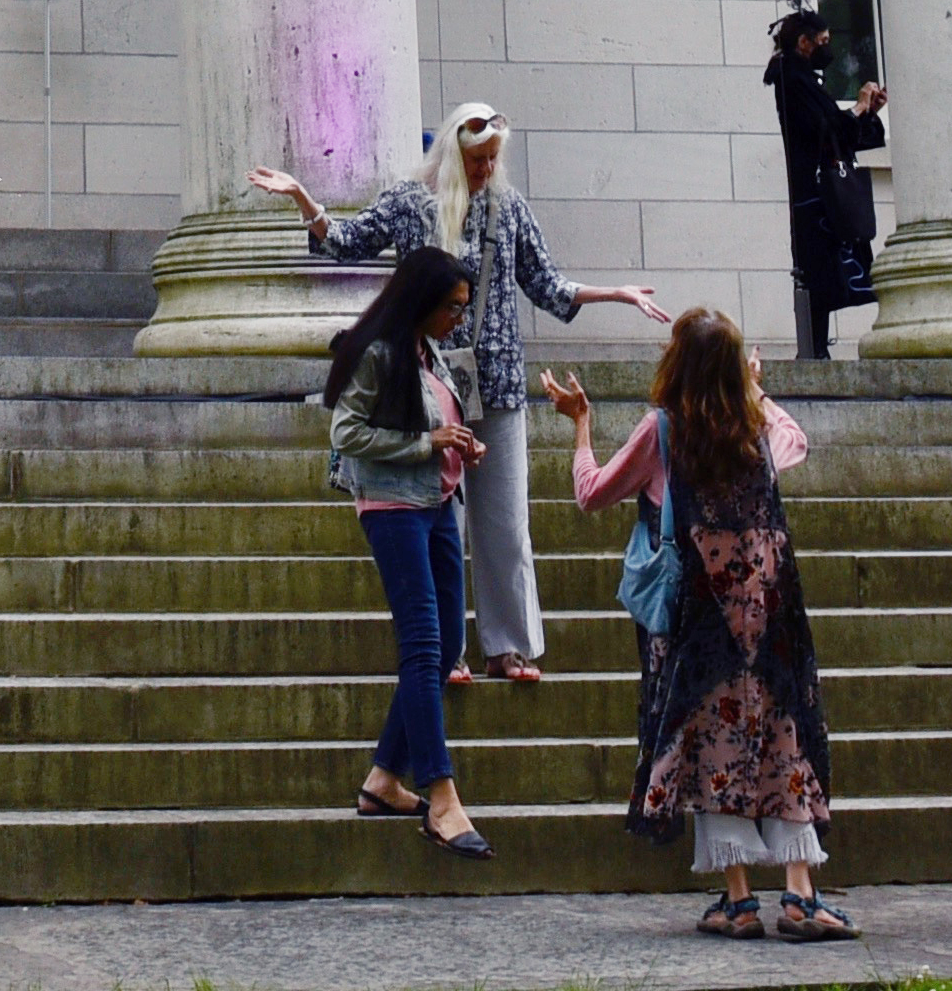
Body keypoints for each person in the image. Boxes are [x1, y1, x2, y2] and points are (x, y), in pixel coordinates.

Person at [249, 105, 663, 683]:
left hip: (497, 384)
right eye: (476, 160)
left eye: (493, 159)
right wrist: (303, 198)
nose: (486, 169)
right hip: (427, 385)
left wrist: (613, 294)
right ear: (452, 154)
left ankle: (509, 645)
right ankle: (449, 651)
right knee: (442, 519)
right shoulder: (409, 203)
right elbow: (347, 242)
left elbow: (547, 283)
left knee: (505, 519)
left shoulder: (508, 208)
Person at [556, 310, 845, 939]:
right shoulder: (758, 423)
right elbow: (797, 440)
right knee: (783, 738)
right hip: (770, 624)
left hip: (697, 627)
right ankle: (800, 894)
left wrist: (580, 427)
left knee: (712, 746)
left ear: (676, 361)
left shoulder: (662, 430)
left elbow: (592, 492)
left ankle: (738, 901)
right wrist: (758, 389)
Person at [316, 246, 491, 857]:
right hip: (394, 508)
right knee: (421, 645)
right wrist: (427, 442)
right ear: (421, 299)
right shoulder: (377, 351)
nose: (457, 319)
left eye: (462, 309)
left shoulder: (427, 348)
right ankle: (441, 797)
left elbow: (430, 419)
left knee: (445, 647)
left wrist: (455, 443)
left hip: (439, 505)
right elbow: (346, 433)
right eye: (451, 307)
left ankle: (383, 780)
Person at [766, 12, 886, 361]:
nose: (827, 49)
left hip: (822, 196)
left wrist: (868, 113)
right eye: (823, 42)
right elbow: (821, 132)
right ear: (804, 42)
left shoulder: (807, 82)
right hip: (813, 196)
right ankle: (815, 349)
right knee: (819, 273)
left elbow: (836, 133)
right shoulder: (791, 80)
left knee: (830, 272)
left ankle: (818, 349)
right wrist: (858, 108)